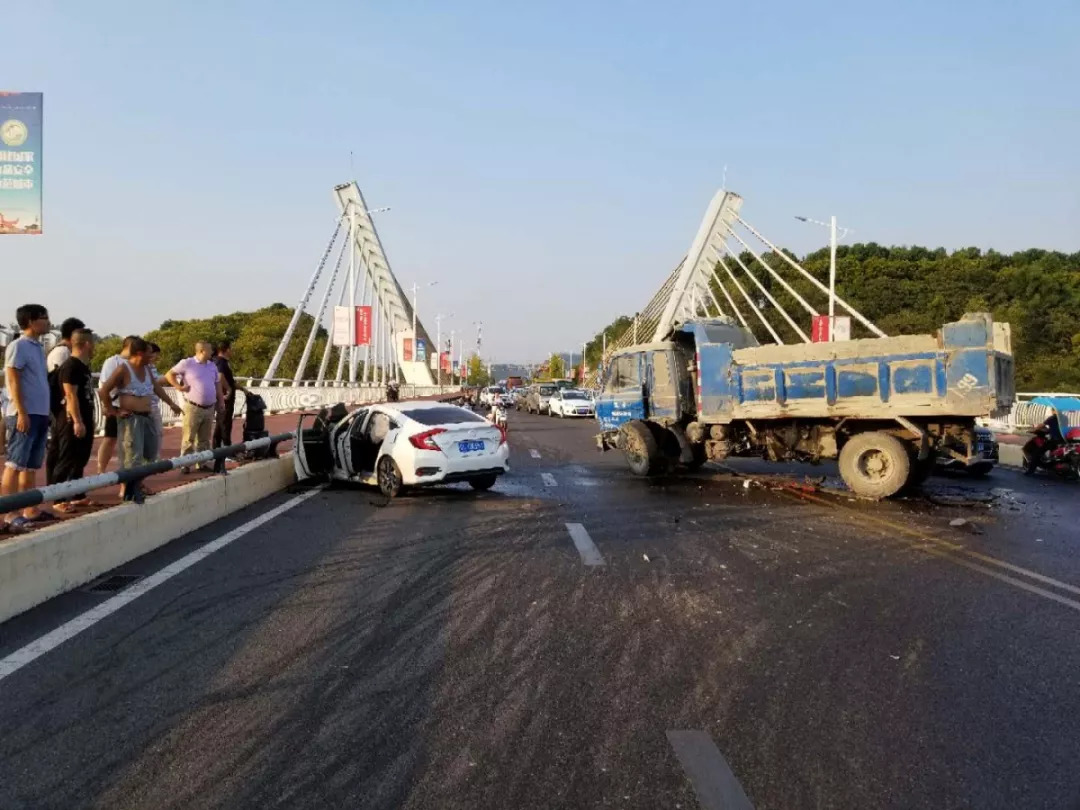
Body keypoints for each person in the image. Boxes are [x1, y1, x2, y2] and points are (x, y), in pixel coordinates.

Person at [99, 338, 181, 503]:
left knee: (150, 453)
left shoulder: (147, 369)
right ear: (140, 353)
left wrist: (171, 403)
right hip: (131, 418)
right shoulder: (123, 369)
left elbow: (156, 388)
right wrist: (113, 410)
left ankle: (137, 483)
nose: (152, 356)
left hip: (147, 416)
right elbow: (104, 390)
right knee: (132, 455)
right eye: (150, 353)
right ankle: (127, 489)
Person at [3, 304, 52, 533]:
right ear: (32, 321)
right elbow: (12, 378)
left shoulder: (37, 348)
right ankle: (8, 513)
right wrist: (21, 411)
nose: (48, 321)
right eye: (44, 317)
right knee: (15, 463)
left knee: (30, 466)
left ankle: (29, 508)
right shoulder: (19, 346)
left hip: (39, 413)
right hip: (25, 413)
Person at [51, 330, 97, 513]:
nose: (94, 347)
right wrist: (77, 421)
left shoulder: (83, 366)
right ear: (86, 344)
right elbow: (70, 395)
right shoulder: (70, 366)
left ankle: (77, 495)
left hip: (85, 417)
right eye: (92, 343)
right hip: (70, 419)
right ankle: (57, 498)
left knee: (80, 458)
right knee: (66, 458)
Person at [165, 341, 225, 472]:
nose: (212, 352)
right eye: (209, 350)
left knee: (204, 438)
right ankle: (185, 464)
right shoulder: (187, 363)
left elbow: (217, 384)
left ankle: (201, 463)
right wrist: (179, 387)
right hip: (193, 407)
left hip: (209, 407)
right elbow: (169, 374)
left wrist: (221, 401)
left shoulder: (212, 366)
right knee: (189, 437)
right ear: (202, 351)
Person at [46, 317, 89, 484]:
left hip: (65, 407)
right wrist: (73, 415)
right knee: (63, 451)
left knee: (65, 450)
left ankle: (69, 489)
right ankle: (57, 490)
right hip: (64, 408)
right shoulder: (63, 353)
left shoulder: (61, 351)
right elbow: (65, 385)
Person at [97, 336, 136, 477]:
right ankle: (101, 472)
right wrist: (108, 407)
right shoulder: (113, 362)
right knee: (110, 439)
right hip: (117, 406)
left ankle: (126, 478)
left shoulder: (137, 363)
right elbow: (103, 386)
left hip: (133, 409)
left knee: (130, 444)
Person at [212, 340, 242, 452]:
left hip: (223, 397)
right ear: (225, 350)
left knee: (221, 423)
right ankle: (227, 449)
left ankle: (217, 448)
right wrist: (228, 390)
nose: (232, 350)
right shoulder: (220, 362)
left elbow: (230, 380)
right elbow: (219, 377)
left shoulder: (219, 361)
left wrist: (243, 389)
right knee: (225, 423)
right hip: (225, 398)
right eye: (230, 348)